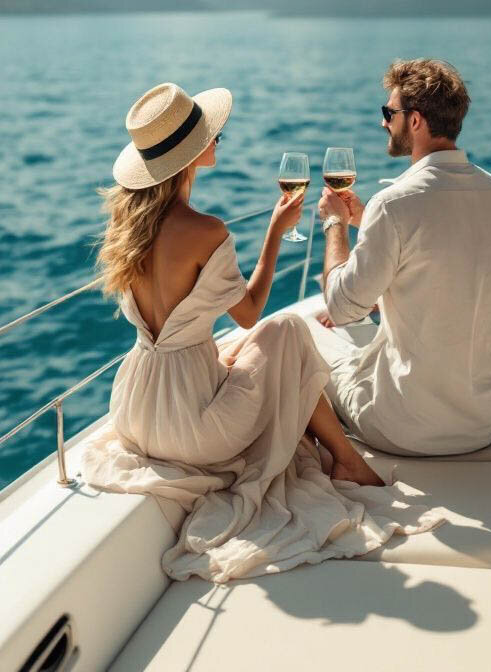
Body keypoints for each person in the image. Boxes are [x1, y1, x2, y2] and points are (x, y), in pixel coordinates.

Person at [82, 82, 443, 584]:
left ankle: (340, 455)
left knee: (245, 349)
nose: (218, 137)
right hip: (193, 430)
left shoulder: (130, 226)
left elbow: (182, 331)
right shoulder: (205, 229)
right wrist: (274, 233)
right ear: (191, 154)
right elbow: (249, 313)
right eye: (212, 133)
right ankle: (346, 460)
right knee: (289, 329)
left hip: (138, 410)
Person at [311, 58, 491, 457]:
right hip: (487, 420)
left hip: (407, 426)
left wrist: (335, 224)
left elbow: (340, 308)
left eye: (388, 113)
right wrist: (365, 220)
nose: (383, 123)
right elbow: (449, 257)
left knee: (302, 333)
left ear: (415, 122)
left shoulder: (394, 204)